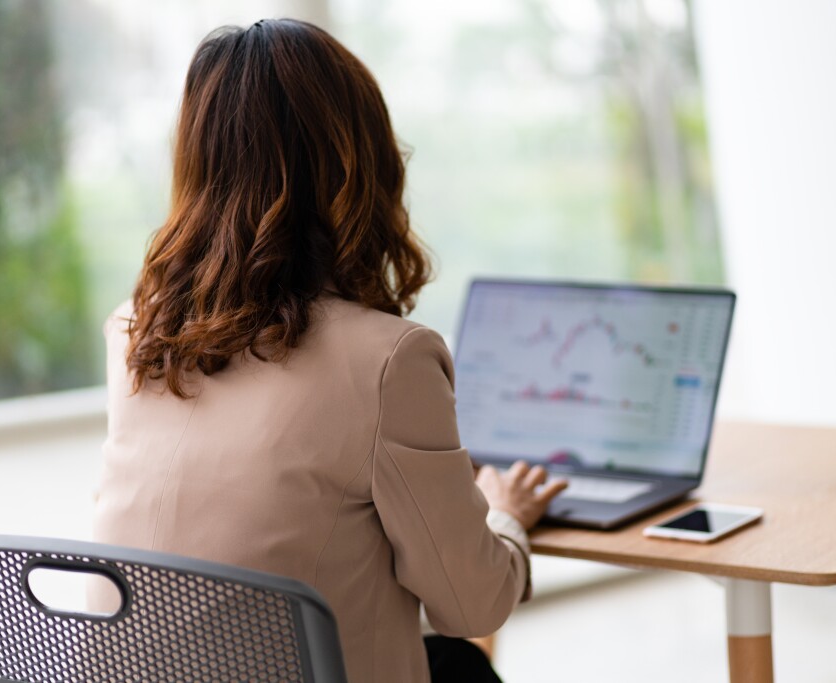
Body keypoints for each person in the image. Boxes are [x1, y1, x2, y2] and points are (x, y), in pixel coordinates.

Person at [92, 19, 567, 683]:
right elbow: (471, 600)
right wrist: (507, 516)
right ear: (362, 162)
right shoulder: (389, 359)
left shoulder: (133, 333)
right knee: (463, 660)